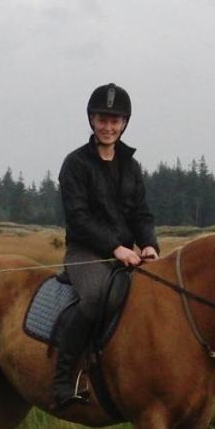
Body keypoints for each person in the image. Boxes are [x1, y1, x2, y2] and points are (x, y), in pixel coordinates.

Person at [52, 82, 159, 409]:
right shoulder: (75, 164)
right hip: (86, 252)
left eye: (115, 120)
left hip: (127, 253)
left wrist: (149, 244)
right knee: (96, 300)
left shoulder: (131, 165)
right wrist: (116, 248)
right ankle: (63, 379)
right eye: (102, 119)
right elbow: (79, 218)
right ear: (91, 120)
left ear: (125, 122)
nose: (108, 126)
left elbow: (141, 212)